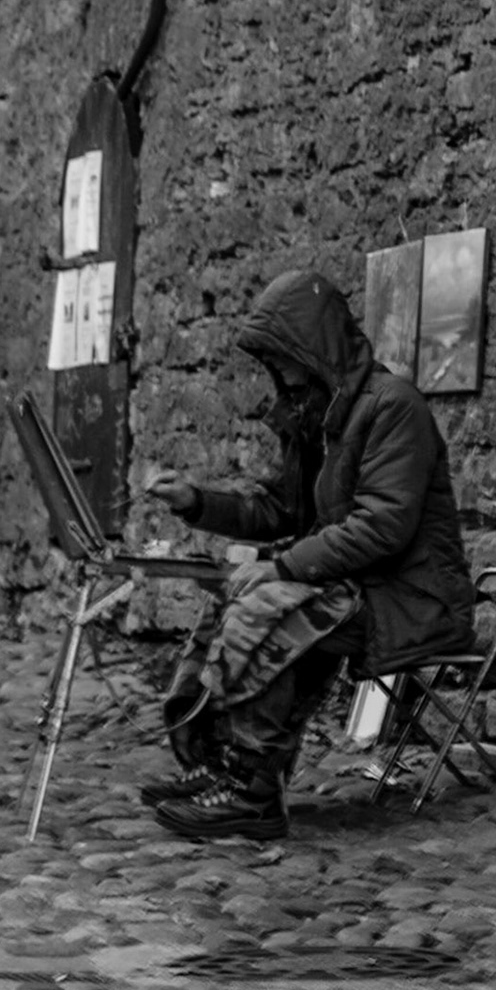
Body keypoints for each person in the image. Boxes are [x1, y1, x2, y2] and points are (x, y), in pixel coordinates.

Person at [139, 269, 475, 840]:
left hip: (409, 597)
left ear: (314, 349)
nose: (281, 374)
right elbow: (280, 511)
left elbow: (382, 527)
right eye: (274, 363)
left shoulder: (393, 408)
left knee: (270, 612)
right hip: (356, 586)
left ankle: (253, 792)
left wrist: (282, 567)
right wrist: (196, 502)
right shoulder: (317, 417)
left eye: (284, 358)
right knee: (231, 601)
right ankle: (217, 763)